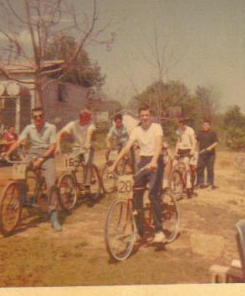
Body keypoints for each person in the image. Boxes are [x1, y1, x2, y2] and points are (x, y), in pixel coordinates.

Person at [108, 103, 166, 243]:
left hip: (155, 160)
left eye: (147, 115)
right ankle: (140, 228)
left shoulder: (156, 127)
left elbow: (158, 145)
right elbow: (127, 147)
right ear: (139, 117)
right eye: (142, 116)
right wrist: (114, 164)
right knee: (136, 194)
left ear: (150, 115)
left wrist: (153, 161)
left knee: (153, 194)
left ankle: (159, 231)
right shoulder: (137, 130)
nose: (145, 118)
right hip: (143, 162)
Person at [5, 107, 62, 231]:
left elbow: (53, 146)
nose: (38, 119)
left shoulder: (51, 127)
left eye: (40, 116)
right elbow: (19, 141)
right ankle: (23, 199)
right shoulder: (28, 128)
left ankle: (53, 215)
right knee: (20, 171)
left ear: (44, 116)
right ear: (32, 118)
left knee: (51, 183)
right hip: (32, 153)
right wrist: (8, 152)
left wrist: (41, 160)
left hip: (47, 155)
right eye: (35, 117)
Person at [56, 109, 96, 195]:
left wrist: (88, 142)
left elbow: (90, 133)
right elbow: (60, 133)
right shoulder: (73, 124)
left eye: (89, 118)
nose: (89, 119)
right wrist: (58, 146)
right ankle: (72, 186)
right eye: (88, 118)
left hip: (87, 147)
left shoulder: (91, 124)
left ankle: (87, 186)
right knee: (71, 166)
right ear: (82, 117)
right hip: (76, 148)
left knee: (87, 163)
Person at [174, 118, 197, 189]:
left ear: (184, 123)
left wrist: (192, 150)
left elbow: (194, 141)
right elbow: (178, 142)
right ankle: (174, 182)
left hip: (188, 149)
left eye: (182, 122)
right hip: (180, 149)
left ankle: (188, 180)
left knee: (185, 162)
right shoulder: (178, 131)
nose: (181, 124)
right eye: (179, 122)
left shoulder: (190, 130)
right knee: (174, 164)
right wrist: (175, 151)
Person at [196, 119, 219, 190]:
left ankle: (210, 184)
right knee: (199, 169)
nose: (205, 126)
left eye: (206, 125)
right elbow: (196, 141)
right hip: (201, 154)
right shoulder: (200, 133)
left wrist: (210, 147)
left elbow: (216, 142)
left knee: (210, 169)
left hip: (210, 155)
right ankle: (200, 183)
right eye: (204, 125)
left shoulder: (212, 133)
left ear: (209, 126)